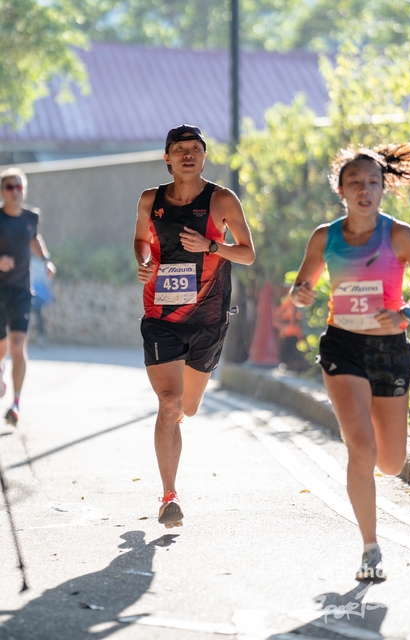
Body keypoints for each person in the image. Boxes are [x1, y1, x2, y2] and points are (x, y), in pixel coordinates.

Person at [290, 143, 410, 581]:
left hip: (390, 349)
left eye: (372, 182)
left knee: (391, 462)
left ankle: (371, 527)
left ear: (383, 188)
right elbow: (301, 287)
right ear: (341, 190)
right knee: (361, 448)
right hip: (342, 346)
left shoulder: (399, 235)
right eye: (355, 183)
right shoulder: (324, 237)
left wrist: (406, 313)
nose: (364, 190)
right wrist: (300, 294)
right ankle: (370, 549)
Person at [134, 124, 255, 528]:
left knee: (187, 406)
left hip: (208, 317)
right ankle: (169, 495)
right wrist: (144, 262)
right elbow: (140, 240)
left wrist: (212, 246)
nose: (188, 155)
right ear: (167, 158)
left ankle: (177, 418)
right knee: (169, 403)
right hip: (161, 317)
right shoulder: (150, 199)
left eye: (195, 149)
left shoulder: (222, 199)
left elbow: (248, 254)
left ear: (204, 156)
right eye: (179, 149)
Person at [0, 167, 56, 426]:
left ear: (24, 189)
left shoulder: (31, 217)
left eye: (19, 186)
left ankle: (16, 403)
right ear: (3, 192)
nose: (15, 191)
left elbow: (34, 238)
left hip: (22, 291)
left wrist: (45, 259)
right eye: (9, 187)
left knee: (18, 343)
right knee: (2, 346)